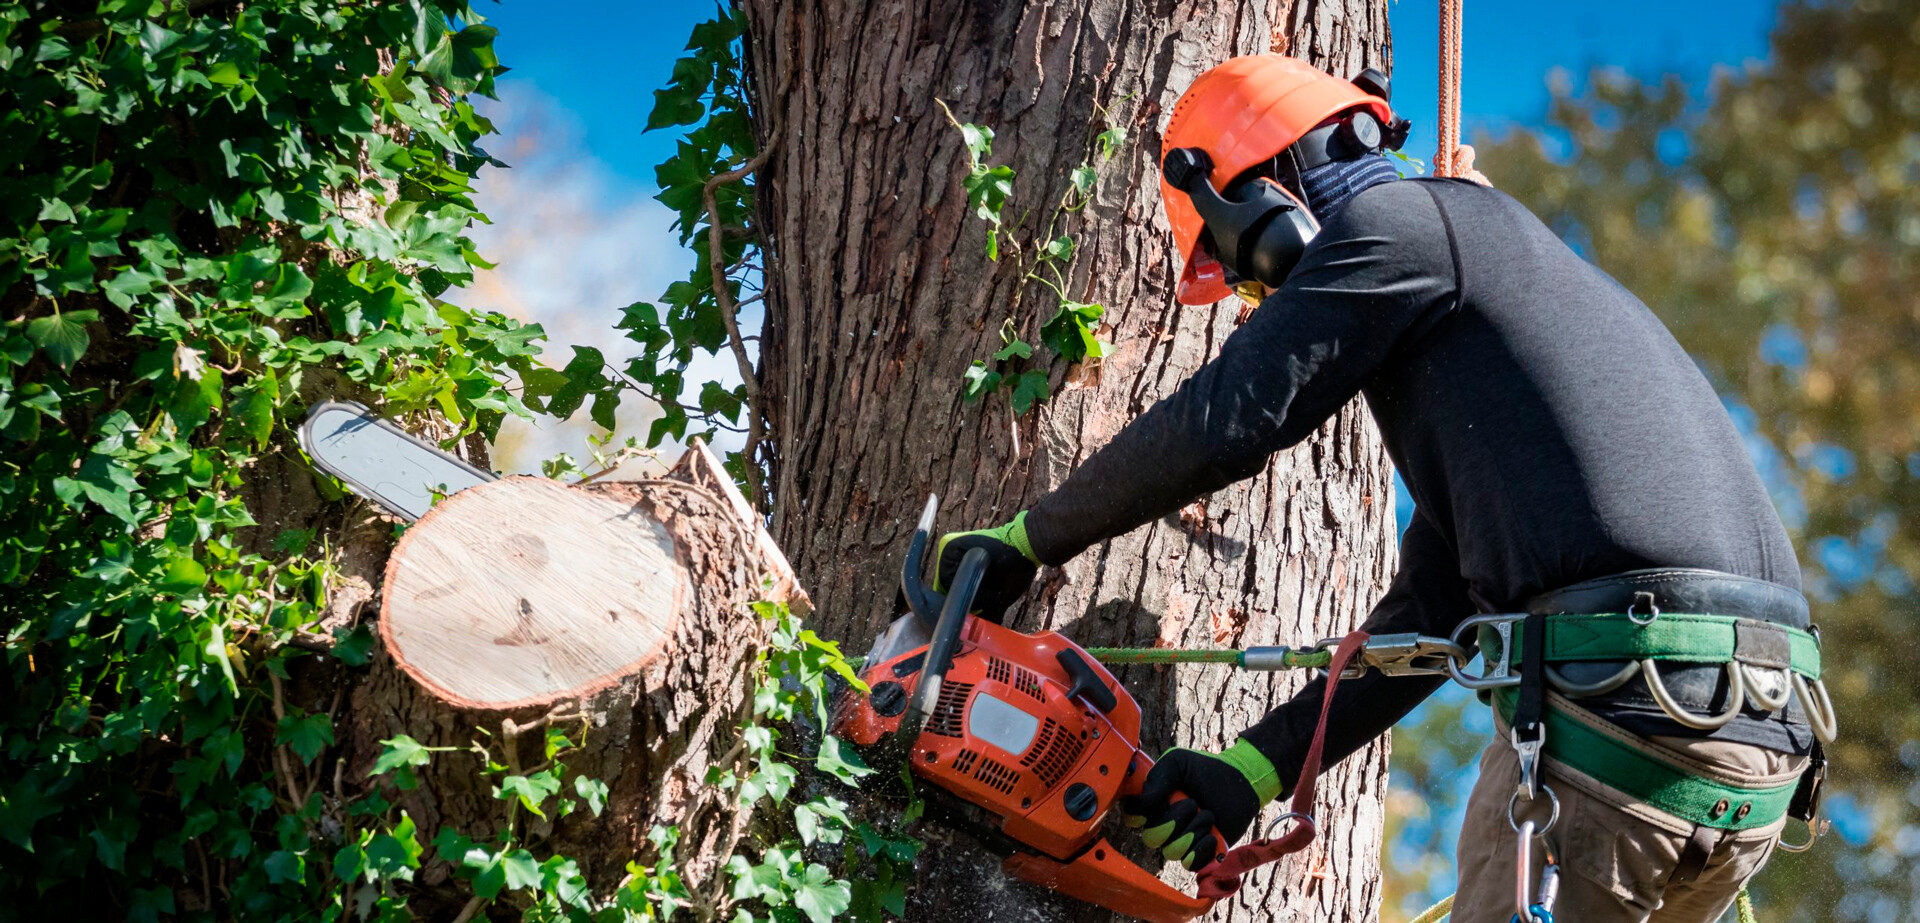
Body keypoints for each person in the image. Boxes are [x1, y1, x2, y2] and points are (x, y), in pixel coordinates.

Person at [933, 55, 1829, 922]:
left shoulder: (1397, 230)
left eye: (1244, 272)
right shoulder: (1498, 308)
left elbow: (1228, 420)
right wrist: (1249, 773)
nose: (1259, 298)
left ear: (1256, 201)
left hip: (1620, 729)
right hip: (1753, 748)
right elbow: (1436, 613)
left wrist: (1024, 542)